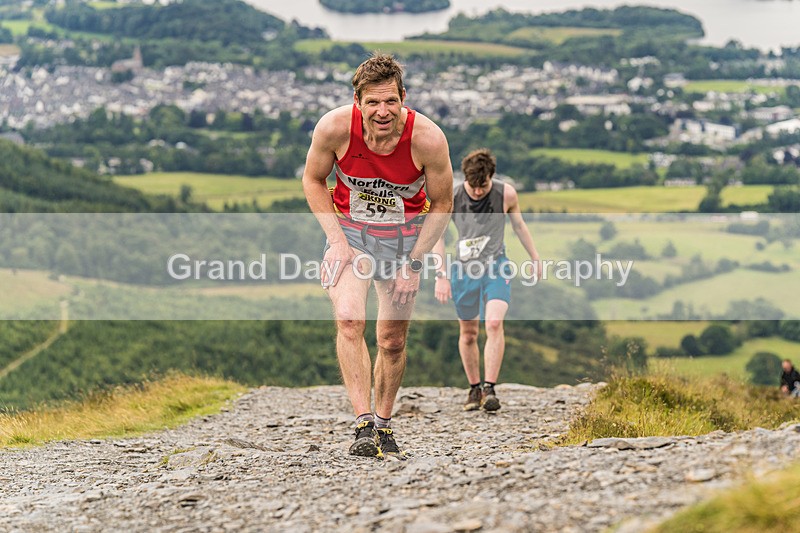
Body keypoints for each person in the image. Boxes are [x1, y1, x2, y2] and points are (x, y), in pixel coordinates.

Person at [302, 54, 453, 459]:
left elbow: (442, 203)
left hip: (405, 242)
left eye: (390, 101)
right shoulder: (334, 128)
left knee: (391, 340)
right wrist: (335, 239)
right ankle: (363, 422)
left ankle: (385, 424)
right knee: (350, 318)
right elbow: (313, 179)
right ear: (358, 102)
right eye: (372, 102)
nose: (382, 112)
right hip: (352, 235)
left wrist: (415, 263)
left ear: (404, 97)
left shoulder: (428, 139)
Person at [433, 149, 542, 412]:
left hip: (496, 265)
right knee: (469, 333)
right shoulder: (453, 196)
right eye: (473, 186)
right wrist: (441, 275)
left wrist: (535, 258)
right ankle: (474, 389)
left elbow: (518, 226)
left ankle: (490, 388)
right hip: (463, 270)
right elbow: (438, 236)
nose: (478, 191)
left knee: (493, 323)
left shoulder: (506, 194)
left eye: (483, 185)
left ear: (491, 177)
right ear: (465, 179)